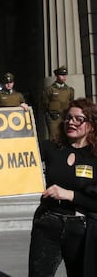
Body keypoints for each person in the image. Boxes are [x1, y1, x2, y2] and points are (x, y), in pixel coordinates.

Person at [28, 97, 97, 277]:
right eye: (68, 118)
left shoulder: (94, 157)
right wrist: (19, 118)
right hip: (47, 223)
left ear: (91, 124)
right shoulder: (52, 147)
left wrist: (71, 195)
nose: (71, 123)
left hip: (81, 229)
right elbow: (21, 148)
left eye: (78, 119)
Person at [42, 65, 75, 141]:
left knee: (67, 136)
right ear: (56, 76)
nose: (64, 77)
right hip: (53, 117)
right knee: (54, 137)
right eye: (61, 75)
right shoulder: (50, 89)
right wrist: (49, 113)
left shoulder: (70, 90)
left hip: (65, 116)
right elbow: (44, 103)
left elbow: (71, 102)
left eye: (65, 75)